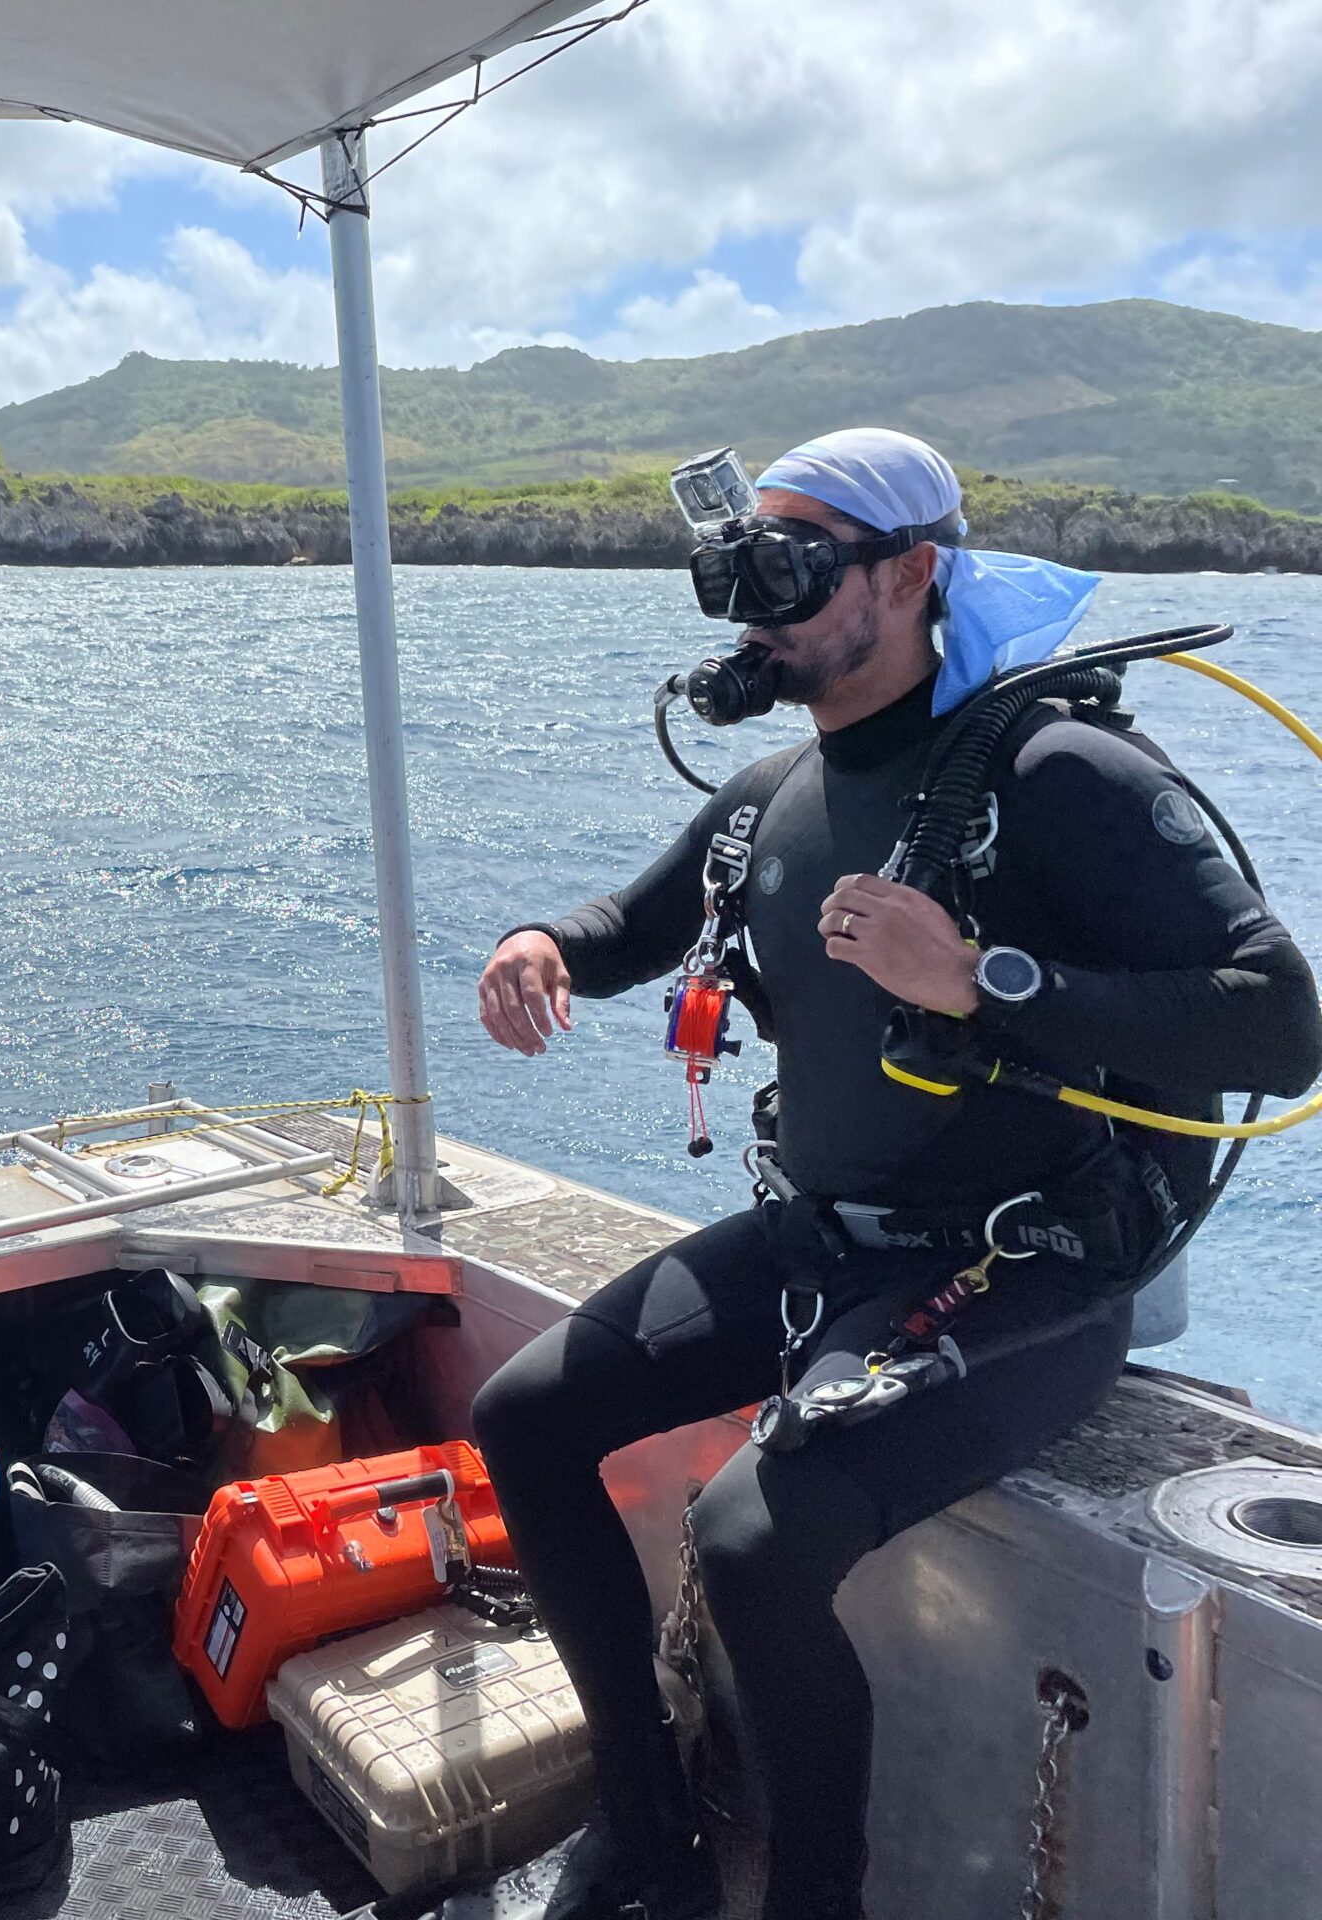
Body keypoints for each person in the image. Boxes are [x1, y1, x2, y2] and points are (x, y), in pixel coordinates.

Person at [468, 429, 1322, 1920]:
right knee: (526, 1415)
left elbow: (1281, 1020)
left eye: (791, 572)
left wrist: (983, 977)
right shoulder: (773, 796)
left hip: (1024, 1266)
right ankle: (649, 1828)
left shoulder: (1059, 773)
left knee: (748, 1536)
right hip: (825, 1239)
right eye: (740, 573)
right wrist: (541, 943)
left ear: (914, 571)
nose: (760, 610)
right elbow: (637, 921)